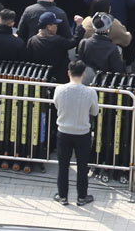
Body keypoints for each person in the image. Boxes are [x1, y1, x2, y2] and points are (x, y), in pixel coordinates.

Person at [53, 60, 98, 205]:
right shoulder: (90, 92)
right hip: (83, 133)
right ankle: (82, 197)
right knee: (82, 166)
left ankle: (63, 196)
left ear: (68, 73)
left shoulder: (59, 89)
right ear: (83, 74)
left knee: (63, 165)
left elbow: (56, 105)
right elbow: (95, 112)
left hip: (63, 132)